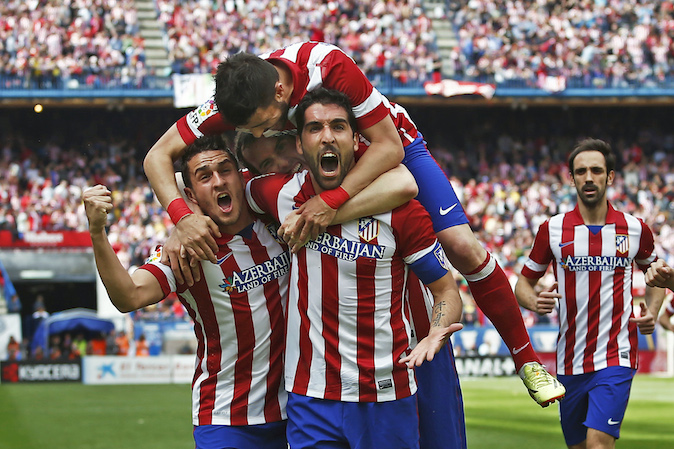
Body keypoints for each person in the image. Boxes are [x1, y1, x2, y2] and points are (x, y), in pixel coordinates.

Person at [143, 41, 563, 405]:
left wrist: (332, 202)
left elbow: (390, 151)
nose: (267, 131)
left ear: (279, 90)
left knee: (461, 245)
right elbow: (157, 157)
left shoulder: (329, 65)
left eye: (266, 122)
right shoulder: (241, 95)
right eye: (255, 131)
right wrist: (181, 217)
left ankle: (527, 361)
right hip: (325, 167)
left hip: (387, 145)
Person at [246, 88, 464, 448]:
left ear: (354, 138)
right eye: (314, 128)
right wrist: (183, 221)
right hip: (312, 395)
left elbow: (446, 291)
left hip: (386, 393)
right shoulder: (282, 195)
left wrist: (435, 331)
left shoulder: (400, 209)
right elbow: (208, 187)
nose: (327, 136)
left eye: (338, 126)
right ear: (299, 145)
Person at [84, 138, 290, 449]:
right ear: (190, 194)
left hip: (295, 411)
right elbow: (129, 296)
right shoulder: (188, 250)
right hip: (225, 419)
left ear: (242, 176)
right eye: (205, 176)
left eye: (225, 170)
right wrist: (98, 233)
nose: (219, 180)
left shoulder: (276, 215)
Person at [514, 138, 666, 449]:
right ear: (571, 178)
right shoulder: (552, 230)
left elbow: (658, 277)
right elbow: (522, 285)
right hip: (570, 360)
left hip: (616, 353)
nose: (588, 177)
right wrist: (534, 301)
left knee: (598, 444)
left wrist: (652, 309)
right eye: (580, 171)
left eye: (596, 170)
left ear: (610, 177)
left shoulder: (635, 229)